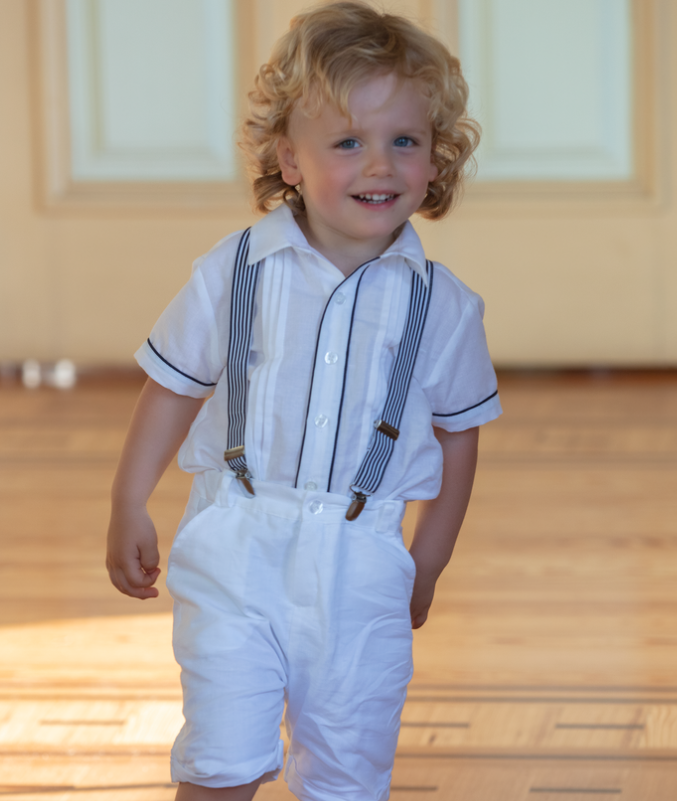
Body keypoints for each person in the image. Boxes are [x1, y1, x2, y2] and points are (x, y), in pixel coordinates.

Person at [106, 3, 501, 799]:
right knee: (221, 756)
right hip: (235, 545)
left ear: (435, 159)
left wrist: (428, 561)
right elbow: (175, 383)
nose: (379, 165)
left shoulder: (444, 307)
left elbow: (460, 437)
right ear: (289, 158)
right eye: (348, 142)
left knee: (348, 772)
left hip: (362, 566)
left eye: (405, 142)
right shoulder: (235, 270)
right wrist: (129, 499)